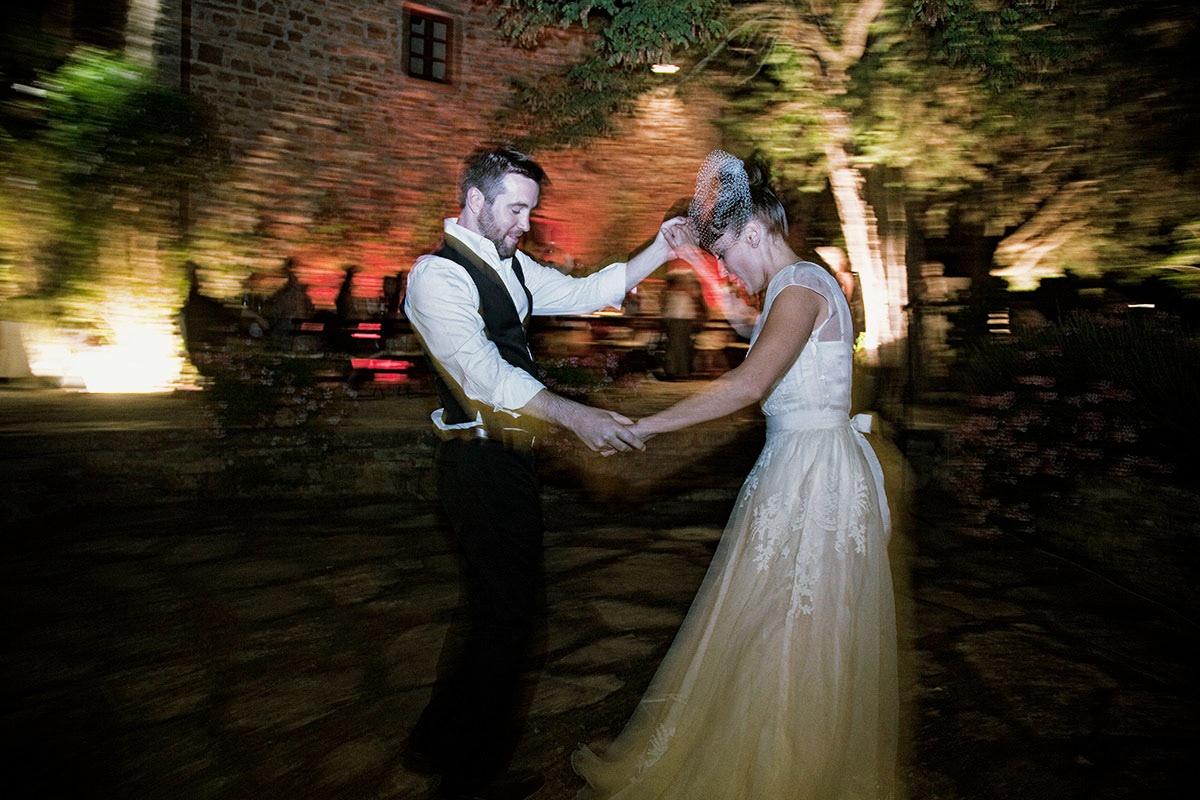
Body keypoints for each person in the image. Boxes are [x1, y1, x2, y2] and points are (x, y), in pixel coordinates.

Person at [572, 150, 899, 798]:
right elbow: (761, 332)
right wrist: (700, 266)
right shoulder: (792, 287)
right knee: (773, 630)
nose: (726, 268)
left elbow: (749, 384)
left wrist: (648, 428)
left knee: (794, 635)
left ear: (753, 230)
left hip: (814, 477)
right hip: (798, 468)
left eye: (724, 253)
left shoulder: (800, 285)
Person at [402, 145, 685, 800]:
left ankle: (441, 745)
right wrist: (575, 416)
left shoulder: (509, 263)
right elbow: (484, 375)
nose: (525, 223)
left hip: (509, 460)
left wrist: (662, 248)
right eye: (515, 208)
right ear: (475, 200)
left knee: (495, 614)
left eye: (530, 209)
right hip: (478, 463)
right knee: (509, 621)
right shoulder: (437, 276)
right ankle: (465, 781)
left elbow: (585, 293)